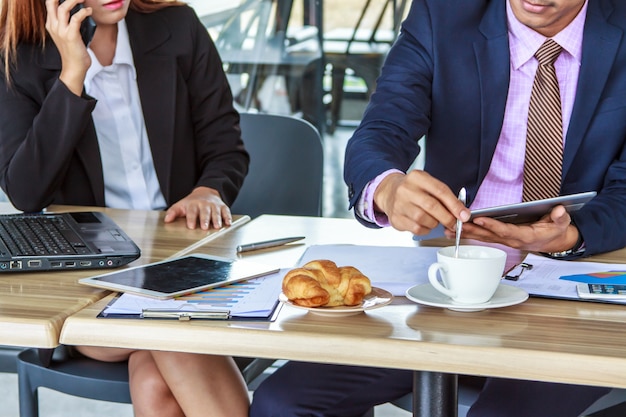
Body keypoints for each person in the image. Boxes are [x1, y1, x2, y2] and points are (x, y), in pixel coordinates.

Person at [250, 0, 626, 416]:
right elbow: (382, 128)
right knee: (282, 402)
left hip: (574, 290)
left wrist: (573, 234)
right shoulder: (442, 14)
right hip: (447, 279)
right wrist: (388, 188)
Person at [0, 0, 250, 416]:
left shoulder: (177, 26)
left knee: (155, 379)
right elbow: (27, 193)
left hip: (184, 257)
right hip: (90, 283)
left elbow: (225, 142)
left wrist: (209, 190)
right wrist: (72, 74)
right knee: (169, 327)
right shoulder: (18, 57)